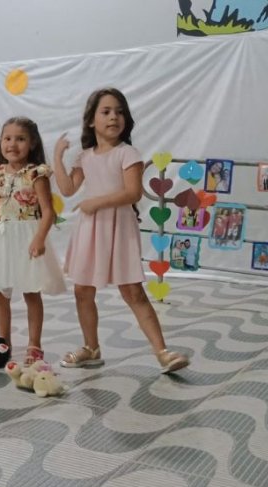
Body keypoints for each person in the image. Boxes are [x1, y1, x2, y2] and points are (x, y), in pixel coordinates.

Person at [54, 87, 190, 374]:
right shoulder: (85, 156)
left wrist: (94, 202)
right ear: (91, 120)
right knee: (82, 291)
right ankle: (91, 348)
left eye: (119, 112)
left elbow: (132, 193)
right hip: (91, 230)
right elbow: (67, 189)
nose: (113, 117)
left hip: (118, 228)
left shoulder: (128, 153)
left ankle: (163, 352)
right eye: (105, 112)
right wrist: (57, 157)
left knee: (133, 292)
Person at [0, 117, 66, 365]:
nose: (12, 144)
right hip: (4, 238)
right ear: (1, 142)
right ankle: (3, 342)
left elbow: (49, 212)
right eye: (7, 138)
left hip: (29, 237)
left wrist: (40, 238)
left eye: (20, 139)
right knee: (0, 292)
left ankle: (34, 344)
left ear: (32, 143)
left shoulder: (35, 173)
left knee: (31, 292)